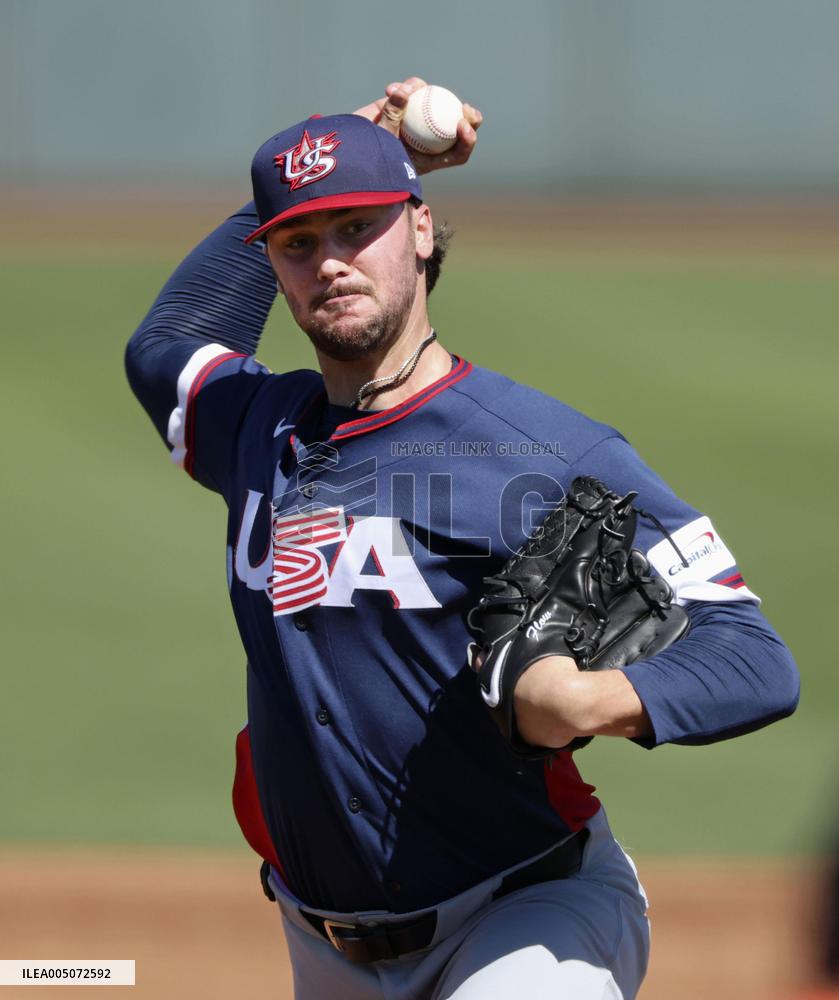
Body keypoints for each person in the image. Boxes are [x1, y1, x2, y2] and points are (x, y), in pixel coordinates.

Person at [126, 77, 800, 1000]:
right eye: (298, 242)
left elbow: (753, 656)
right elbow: (170, 340)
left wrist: (587, 698)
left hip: (525, 915)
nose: (329, 262)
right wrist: (329, 155)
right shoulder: (256, 427)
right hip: (325, 950)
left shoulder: (546, 452)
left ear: (421, 228)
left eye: (357, 226)